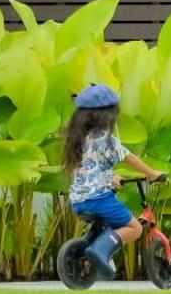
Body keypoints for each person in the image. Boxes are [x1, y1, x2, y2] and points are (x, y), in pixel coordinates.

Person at [63, 83, 165, 278]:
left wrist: (110, 178)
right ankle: (100, 250)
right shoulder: (106, 138)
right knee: (134, 228)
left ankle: (88, 249)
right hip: (99, 199)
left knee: (106, 224)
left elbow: (88, 168)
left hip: (78, 200)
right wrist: (152, 174)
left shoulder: (77, 138)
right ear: (107, 114)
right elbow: (130, 158)